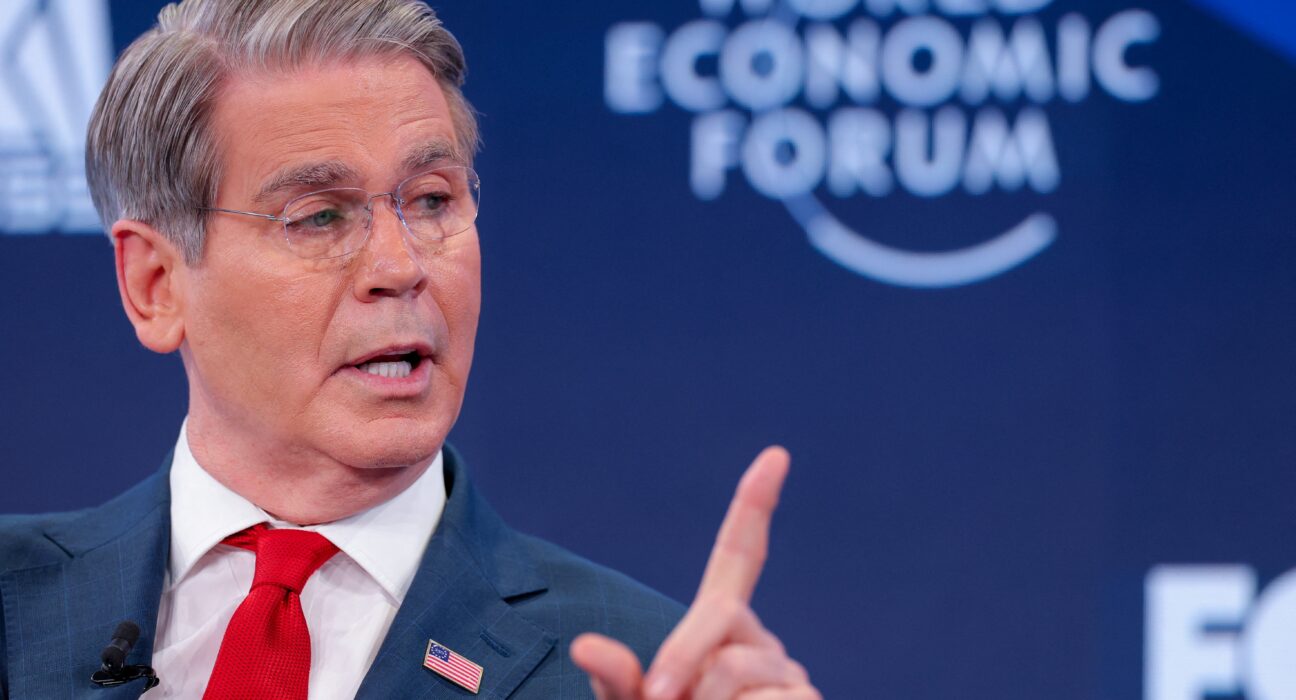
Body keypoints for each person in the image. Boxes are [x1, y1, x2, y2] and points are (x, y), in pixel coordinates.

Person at [0, 1, 820, 698]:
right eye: (320, 216)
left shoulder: (633, 669)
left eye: (431, 200)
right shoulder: (14, 608)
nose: (401, 267)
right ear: (156, 284)